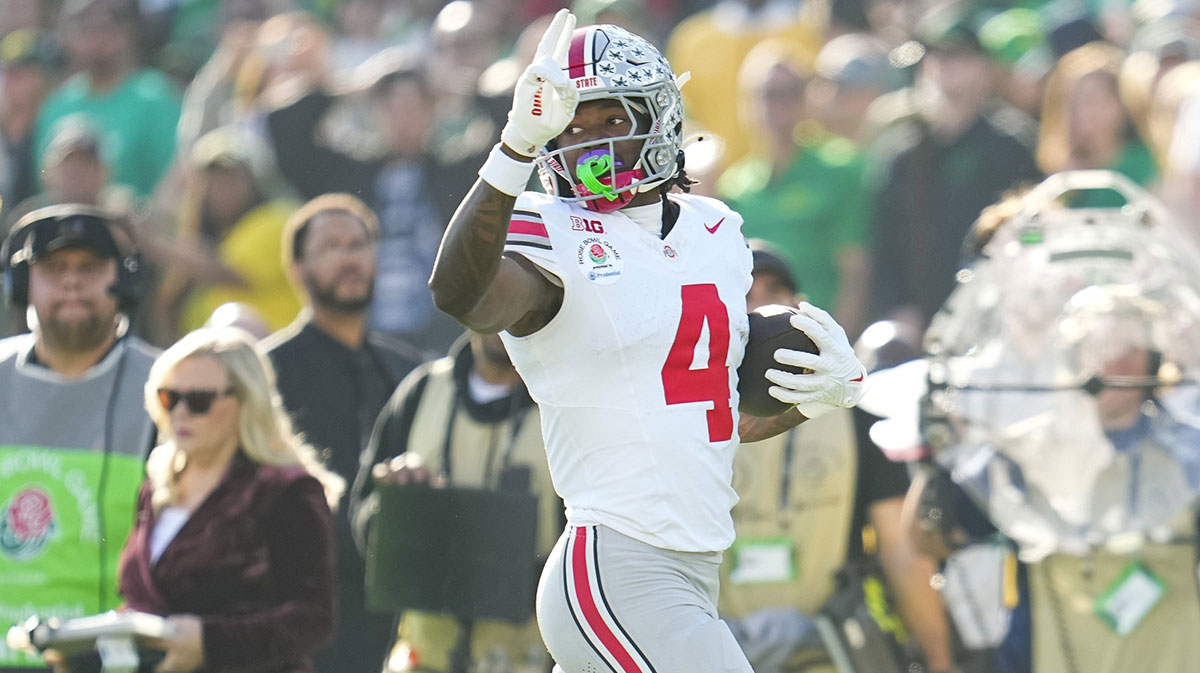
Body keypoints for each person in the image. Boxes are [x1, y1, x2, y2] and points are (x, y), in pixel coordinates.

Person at [427, 12, 866, 672]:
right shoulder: (550, 230)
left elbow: (707, 420)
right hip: (617, 565)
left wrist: (817, 396)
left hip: (692, 567)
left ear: (658, 116)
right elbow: (461, 294)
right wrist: (514, 148)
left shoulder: (716, 232)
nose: (590, 144)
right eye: (568, 127)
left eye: (610, 120)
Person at [113, 327, 341, 673]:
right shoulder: (157, 486)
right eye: (169, 397)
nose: (181, 413)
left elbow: (313, 619)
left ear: (246, 402)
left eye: (199, 400)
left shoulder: (285, 490)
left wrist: (209, 642)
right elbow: (145, 598)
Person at [262, 193, 423, 673]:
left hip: (399, 608)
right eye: (331, 246)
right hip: (306, 611)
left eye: (359, 244)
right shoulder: (266, 373)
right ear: (297, 268)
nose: (350, 257)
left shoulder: (409, 371)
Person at [0, 204, 158, 673]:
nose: (72, 281)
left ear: (125, 283)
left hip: (119, 656)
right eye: (53, 269)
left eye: (89, 268)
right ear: (22, 284)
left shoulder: (173, 387)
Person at [352, 331, 553, 673]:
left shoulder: (566, 404)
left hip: (530, 661)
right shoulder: (422, 391)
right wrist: (399, 506)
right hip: (421, 661)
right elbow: (363, 524)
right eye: (487, 300)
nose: (501, 318)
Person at [32, 0, 181, 199]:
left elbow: (172, 179)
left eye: (103, 27)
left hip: (133, 223)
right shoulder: (57, 105)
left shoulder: (154, 97)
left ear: (126, 32)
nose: (95, 39)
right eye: (85, 28)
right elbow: (44, 182)